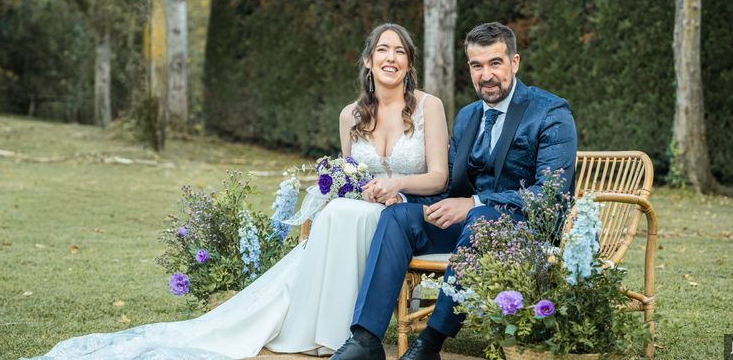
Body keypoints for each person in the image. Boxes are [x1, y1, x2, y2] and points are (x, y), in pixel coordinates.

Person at [29, 23, 449, 360]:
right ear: (367, 61)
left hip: (409, 213)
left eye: (399, 52)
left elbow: (439, 178)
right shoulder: (350, 115)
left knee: (341, 215)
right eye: (382, 50)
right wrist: (363, 191)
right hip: (362, 210)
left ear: (409, 64)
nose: (391, 58)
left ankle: (349, 337)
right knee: (339, 211)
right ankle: (334, 334)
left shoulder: (429, 107)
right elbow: (348, 177)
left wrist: (397, 185)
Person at [331, 22, 577, 360]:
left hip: (525, 228)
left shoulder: (549, 111)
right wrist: (401, 195)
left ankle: (429, 343)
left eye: (495, 63)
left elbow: (551, 194)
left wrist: (476, 202)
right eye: (477, 65)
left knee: (478, 219)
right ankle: (366, 339)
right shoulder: (468, 117)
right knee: (398, 217)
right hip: (469, 226)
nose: (486, 75)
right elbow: (448, 185)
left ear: (515, 62)